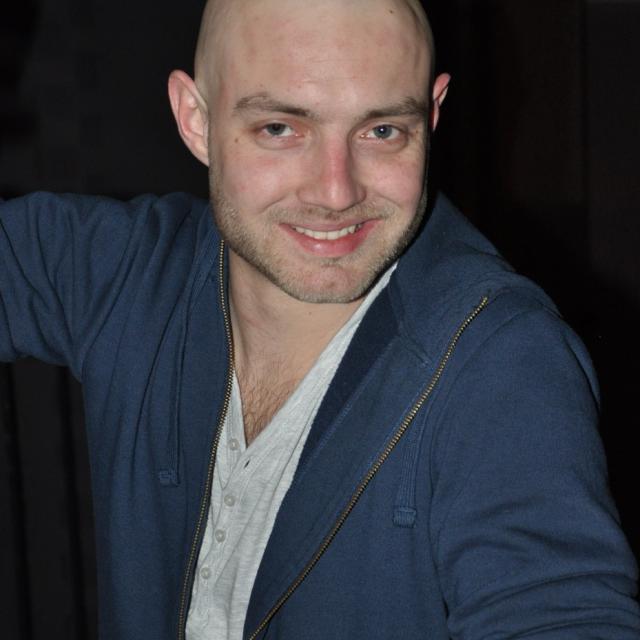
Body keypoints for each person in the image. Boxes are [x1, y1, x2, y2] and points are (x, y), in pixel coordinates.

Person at [1, 0, 638, 638]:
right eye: (281, 128)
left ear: (432, 113)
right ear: (196, 119)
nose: (336, 192)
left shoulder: (502, 363)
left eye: (382, 131)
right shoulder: (125, 272)